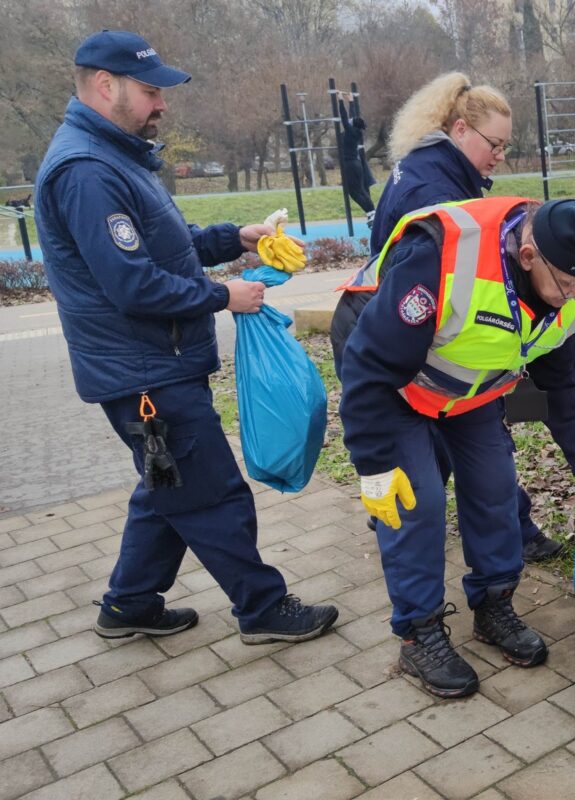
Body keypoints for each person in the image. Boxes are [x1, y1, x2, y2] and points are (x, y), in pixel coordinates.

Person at [34, 30, 338, 644]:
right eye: (150, 91)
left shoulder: (116, 157)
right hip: (145, 371)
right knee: (213, 493)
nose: (162, 104)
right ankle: (263, 608)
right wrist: (225, 294)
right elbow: (132, 285)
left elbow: (166, 248)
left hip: (151, 364)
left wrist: (237, 238)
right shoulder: (86, 171)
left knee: (166, 485)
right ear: (104, 86)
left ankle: (128, 605)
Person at [339, 196, 575, 698]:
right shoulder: (441, 258)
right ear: (528, 255)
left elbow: (562, 387)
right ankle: (418, 632)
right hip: (391, 381)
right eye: (568, 283)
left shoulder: (568, 290)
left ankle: (492, 604)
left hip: (468, 387)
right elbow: (369, 367)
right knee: (416, 499)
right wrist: (374, 463)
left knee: (494, 485)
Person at [332, 72, 564, 563]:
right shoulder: (431, 190)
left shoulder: (433, 167)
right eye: (493, 144)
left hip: (406, 328)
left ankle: (504, 526)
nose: (499, 155)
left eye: (504, 145)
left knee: (476, 449)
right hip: (401, 335)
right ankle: (410, 533)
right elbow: (448, 273)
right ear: (460, 130)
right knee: (437, 452)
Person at [336, 94, 375, 219]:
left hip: (350, 164)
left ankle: (370, 212)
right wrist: (351, 102)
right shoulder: (357, 131)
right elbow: (353, 118)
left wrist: (340, 100)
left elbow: (344, 117)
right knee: (361, 190)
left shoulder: (350, 131)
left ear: (352, 124)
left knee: (353, 192)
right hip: (356, 163)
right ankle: (372, 212)